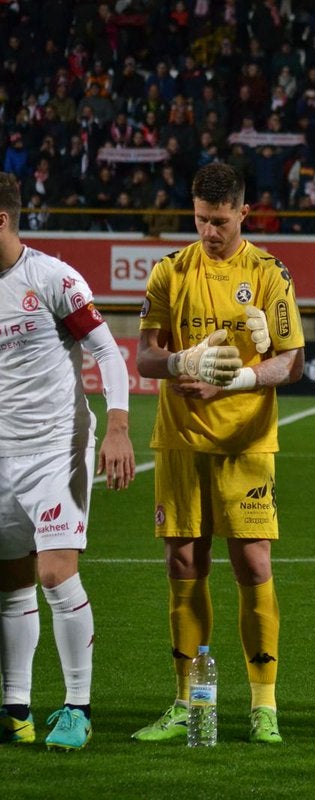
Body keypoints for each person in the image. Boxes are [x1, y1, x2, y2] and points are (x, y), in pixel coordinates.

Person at [132, 162, 305, 744]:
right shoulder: (169, 272)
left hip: (247, 442)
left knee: (252, 564)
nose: (210, 232)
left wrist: (233, 381)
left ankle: (265, 707)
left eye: (221, 221)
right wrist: (184, 362)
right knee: (184, 563)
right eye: (202, 220)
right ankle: (185, 702)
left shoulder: (267, 273)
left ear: (243, 213)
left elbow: (293, 361)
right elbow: (146, 357)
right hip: (180, 440)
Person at [0, 172, 135, 750]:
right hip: (2, 453)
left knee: (54, 571)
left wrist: (119, 428)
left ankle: (77, 707)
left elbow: (105, 349)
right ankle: (16, 711)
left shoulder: (51, 277)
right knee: (9, 585)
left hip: (58, 446)